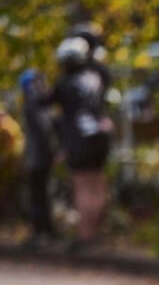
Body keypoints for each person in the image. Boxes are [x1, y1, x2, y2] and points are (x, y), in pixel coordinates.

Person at [45, 36, 112, 252]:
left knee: (83, 187)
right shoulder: (94, 77)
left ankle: (85, 236)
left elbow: (46, 102)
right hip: (100, 135)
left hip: (80, 138)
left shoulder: (65, 82)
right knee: (97, 184)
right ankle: (95, 233)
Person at [18, 69, 57, 247]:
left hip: (38, 156)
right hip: (41, 154)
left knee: (38, 194)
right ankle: (45, 230)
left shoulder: (34, 103)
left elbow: (42, 130)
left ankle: (41, 231)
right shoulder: (41, 103)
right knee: (42, 193)